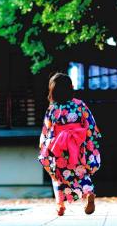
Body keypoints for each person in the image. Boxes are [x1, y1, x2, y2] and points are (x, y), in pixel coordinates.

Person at [38, 72, 101, 216]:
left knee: (59, 175)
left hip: (60, 147)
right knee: (81, 172)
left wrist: (44, 146)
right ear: (70, 88)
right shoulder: (79, 104)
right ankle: (88, 194)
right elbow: (90, 124)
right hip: (78, 145)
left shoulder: (52, 109)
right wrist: (90, 141)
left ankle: (60, 206)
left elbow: (47, 131)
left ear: (52, 90)